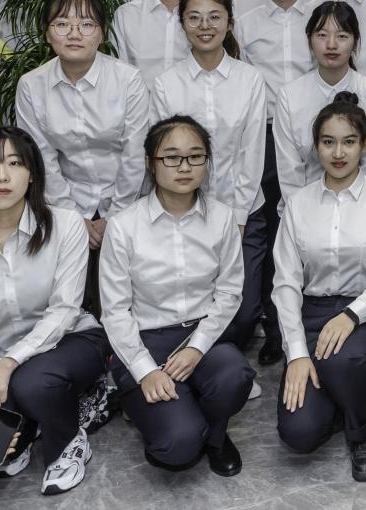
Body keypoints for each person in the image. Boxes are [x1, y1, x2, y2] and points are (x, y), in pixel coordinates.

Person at [0, 126, 110, 495]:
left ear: (32, 175)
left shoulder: (65, 225)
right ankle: (35, 422)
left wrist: (8, 364)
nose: (1, 176)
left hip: (70, 342)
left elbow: (64, 310)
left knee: (33, 381)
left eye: (14, 163)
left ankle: (68, 442)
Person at [100, 116, 255, 477]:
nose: (184, 167)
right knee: (176, 448)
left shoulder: (222, 218)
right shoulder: (123, 226)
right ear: (150, 164)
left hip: (203, 336)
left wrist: (196, 348)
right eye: (171, 157)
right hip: (145, 341)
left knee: (235, 375)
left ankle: (215, 435)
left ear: (207, 162)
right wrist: (144, 371)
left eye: (195, 156)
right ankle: (173, 415)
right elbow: (115, 311)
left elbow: (230, 292)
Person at [273, 93, 366, 481]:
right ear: (316, 146)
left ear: (365, 144)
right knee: (299, 433)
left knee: (341, 358)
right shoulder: (298, 203)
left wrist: (351, 315)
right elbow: (285, 283)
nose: (338, 152)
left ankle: (363, 431)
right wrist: (297, 354)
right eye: (328, 141)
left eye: (349, 141)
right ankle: (344, 394)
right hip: (312, 315)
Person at [150, 0, 269, 382]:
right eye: (195, 17)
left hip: (242, 209)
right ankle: (206, 371)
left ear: (230, 23)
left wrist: (238, 217)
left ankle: (225, 364)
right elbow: (166, 154)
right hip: (187, 210)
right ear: (182, 24)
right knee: (195, 297)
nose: (205, 26)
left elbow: (253, 151)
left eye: (215, 17)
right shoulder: (166, 83)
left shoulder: (250, 79)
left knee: (245, 307)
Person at [16, 0, 150, 312]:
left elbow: (135, 156)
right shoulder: (31, 85)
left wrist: (113, 217)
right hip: (65, 200)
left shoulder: (128, 80)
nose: (74, 33)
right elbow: (41, 159)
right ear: (47, 34)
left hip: (128, 200)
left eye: (87, 24)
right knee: (68, 296)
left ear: (101, 34)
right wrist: (74, 218)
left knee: (122, 296)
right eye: (62, 24)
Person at [235, 0, 316, 365]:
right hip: (265, 137)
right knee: (271, 230)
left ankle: (314, 320)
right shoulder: (244, 24)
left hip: (318, 135)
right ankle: (275, 327)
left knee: (313, 230)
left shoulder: (320, 17)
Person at [274, 0, 366, 198]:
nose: (331, 44)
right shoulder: (289, 96)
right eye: (322, 35)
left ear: (355, 42)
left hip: (360, 204)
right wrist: (302, 211)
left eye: (342, 36)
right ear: (309, 41)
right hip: (304, 205)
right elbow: (289, 173)